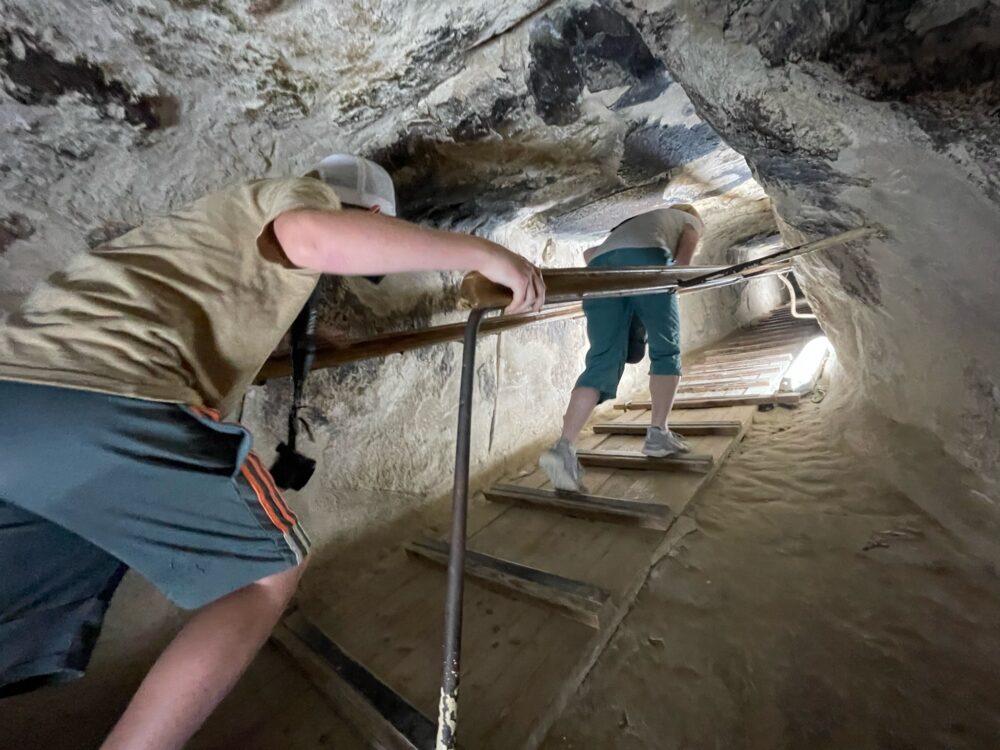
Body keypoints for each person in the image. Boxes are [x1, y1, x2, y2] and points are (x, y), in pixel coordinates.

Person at [0, 154, 545, 749]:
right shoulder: (295, 196)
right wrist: (485, 253)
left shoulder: (200, 233)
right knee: (268, 574)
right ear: (371, 213)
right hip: (107, 395)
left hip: (15, 397)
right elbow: (309, 233)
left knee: (18, 612)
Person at [539, 204, 704, 492]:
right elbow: (683, 268)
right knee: (666, 350)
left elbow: (589, 254)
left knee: (601, 361)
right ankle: (658, 434)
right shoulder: (691, 221)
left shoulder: (634, 223)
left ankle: (563, 448)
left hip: (598, 272)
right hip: (646, 263)